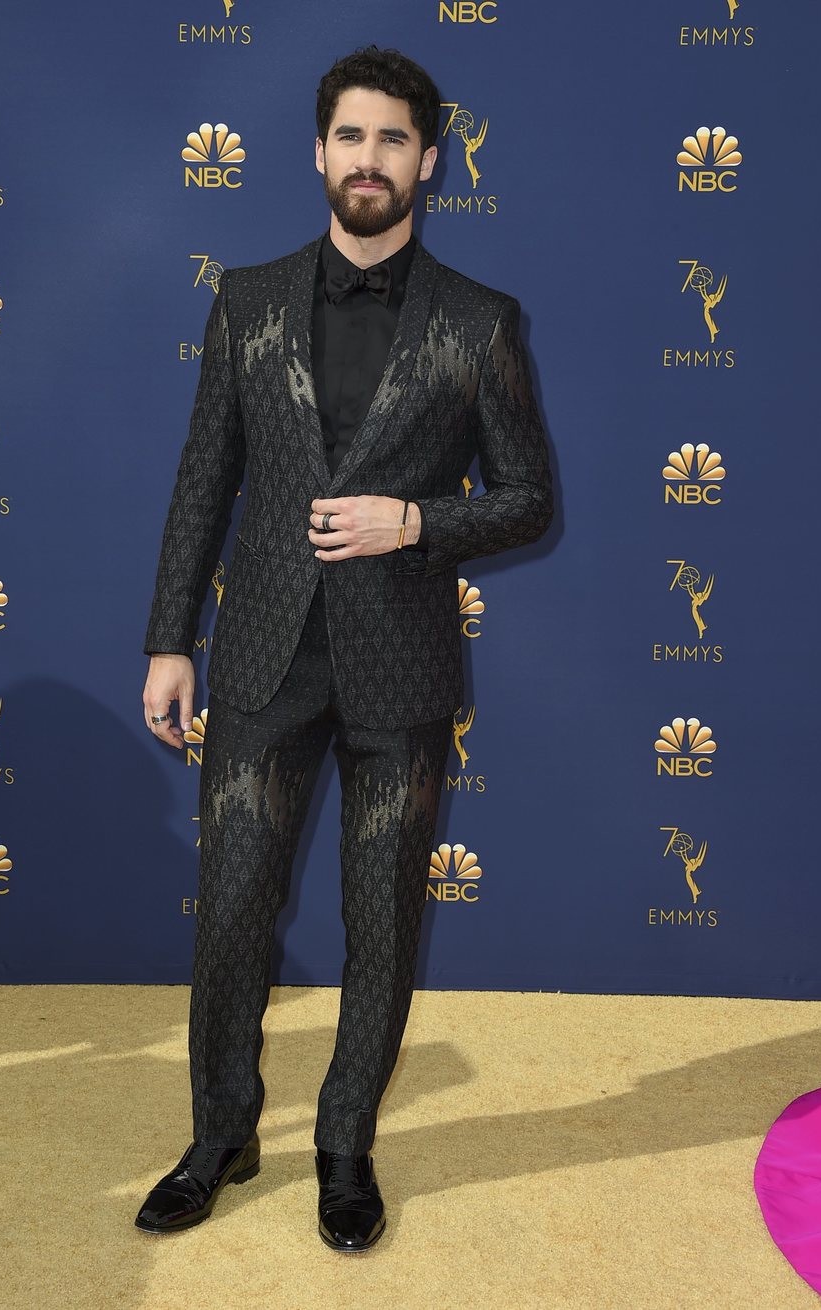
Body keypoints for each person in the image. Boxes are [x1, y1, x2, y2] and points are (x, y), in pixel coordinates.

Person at [134, 45, 553, 1252]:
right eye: (350, 137)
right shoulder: (247, 300)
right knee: (229, 912)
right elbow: (201, 481)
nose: (370, 161)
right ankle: (219, 1133)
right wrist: (171, 638)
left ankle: (343, 1144)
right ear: (319, 152)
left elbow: (528, 498)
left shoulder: (481, 322)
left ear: (431, 159)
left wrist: (417, 518)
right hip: (262, 656)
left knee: (382, 920)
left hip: (404, 670)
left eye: (394, 140)